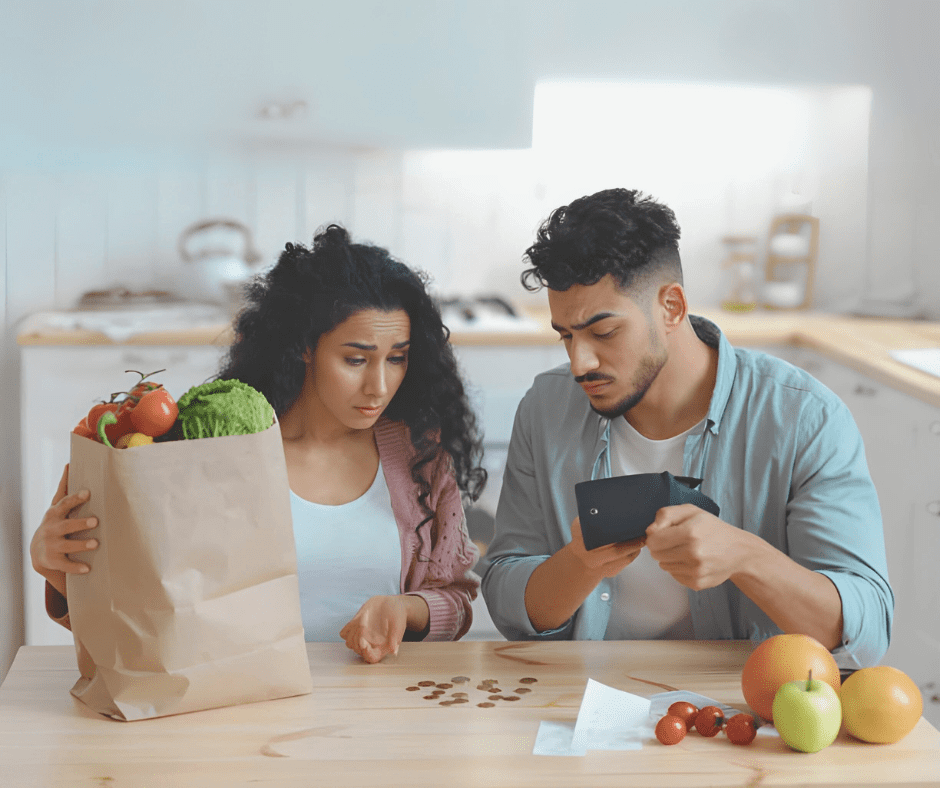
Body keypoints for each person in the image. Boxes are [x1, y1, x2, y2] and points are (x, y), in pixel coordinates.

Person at [31, 223, 486, 664]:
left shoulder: (420, 459)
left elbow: (459, 599)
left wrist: (406, 611)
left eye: (397, 359)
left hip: (377, 709)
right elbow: (145, 612)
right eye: (355, 359)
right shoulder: (221, 446)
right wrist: (54, 566)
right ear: (305, 346)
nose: (379, 386)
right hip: (238, 706)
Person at [479, 188, 892, 668]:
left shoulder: (804, 418)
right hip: (577, 697)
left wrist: (745, 556)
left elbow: (865, 633)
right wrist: (578, 563)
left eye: (604, 332)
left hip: (741, 708)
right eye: (566, 335)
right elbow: (506, 598)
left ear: (671, 308)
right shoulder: (546, 409)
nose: (579, 362)